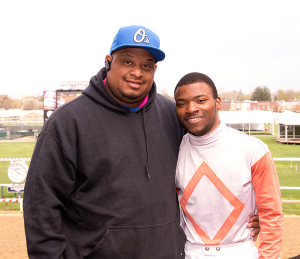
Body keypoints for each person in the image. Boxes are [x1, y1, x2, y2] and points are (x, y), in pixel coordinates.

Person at [24, 25, 260, 259]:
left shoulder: (172, 114)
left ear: (154, 70)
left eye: (146, 65)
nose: (137, 72)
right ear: (108, 61)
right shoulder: (67, 121)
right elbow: (41, 205)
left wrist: (249, 212)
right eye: (127, 62)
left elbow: (208, 165)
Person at [174, 72, 283, 259]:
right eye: (181, 103)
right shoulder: (173, 151)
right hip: (189, 253)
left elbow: (271, 215)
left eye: (200, 100)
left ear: (217, 103)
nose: (191, 109)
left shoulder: (253, 149)